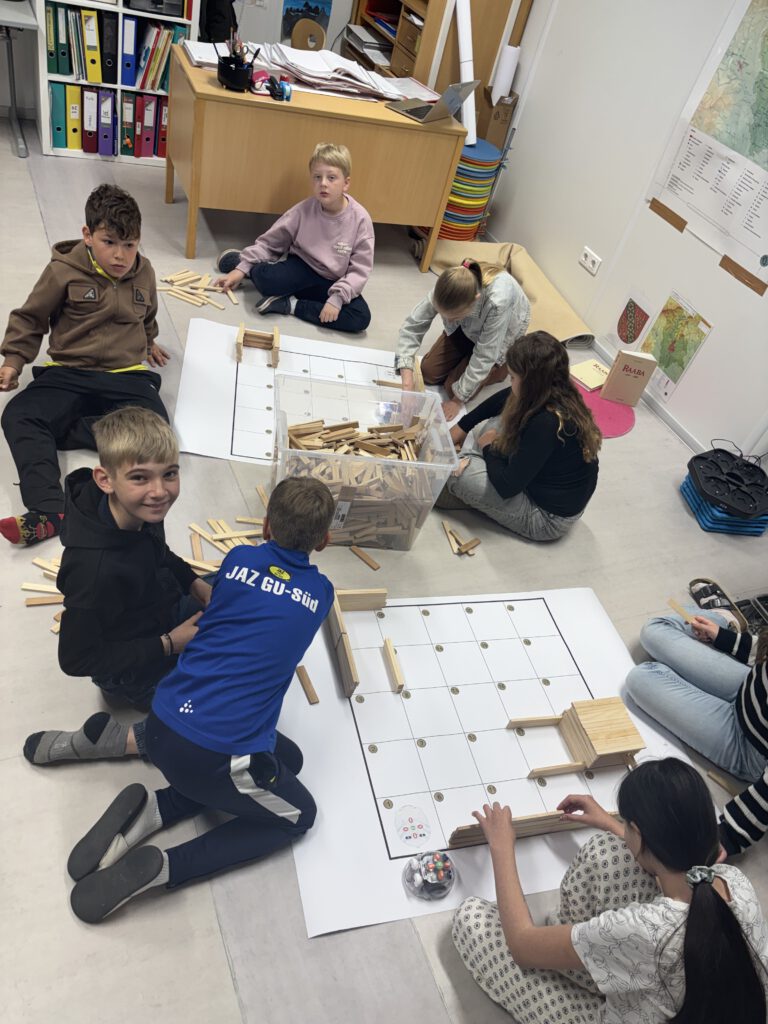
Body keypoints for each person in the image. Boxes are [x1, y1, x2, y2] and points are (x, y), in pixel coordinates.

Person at [65, 476, 335, 923]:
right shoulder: (322, 593)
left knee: (290, 760)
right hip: (212, 754)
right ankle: (169, 867)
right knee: (299, 816)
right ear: (324, 541)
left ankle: (155, 810)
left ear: (266, 526)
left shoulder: (239, 558)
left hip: (162, 718)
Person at [453, 758, 768, 1024]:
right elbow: (665, 869)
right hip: (681, 999)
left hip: (630, 997)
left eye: (627, 824)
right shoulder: (732, 880)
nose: (624, 830)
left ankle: (573, 956)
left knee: (472, 920)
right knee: (609, 850)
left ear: (640, 835)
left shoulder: (643, 932)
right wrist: (612, 824)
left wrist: (501, 846)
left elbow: (522, 944)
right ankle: (582, 956)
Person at [23, 407, 210, 767]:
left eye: (170, 474)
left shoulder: (137, 509)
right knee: (220, 714)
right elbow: (76, 659)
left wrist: (195, 583)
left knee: (234, 589)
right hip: (136, 670)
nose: (160, 492)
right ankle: (119, 741)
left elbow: (158, 551)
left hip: (158, 613)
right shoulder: (96, 572)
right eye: (140, 478)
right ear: (105, 480)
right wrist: (170, 643)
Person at [0, 184, 170, 547]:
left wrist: (150, 341)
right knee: (18, 415)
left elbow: (147, 315)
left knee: (158, 433)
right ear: (88, 235)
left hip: (126, 375)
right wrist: (14, 360)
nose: (121, 255)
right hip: (68, 372)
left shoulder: (145, 272)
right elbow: (31, 318)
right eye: (110, 242)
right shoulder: (62, 270)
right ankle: (50, 510)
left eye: (130, 244)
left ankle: (64, 432)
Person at [626, 611, 768, 856]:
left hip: (746, 744)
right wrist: (725, 638)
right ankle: (727, 617)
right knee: (654, 631)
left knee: (641, 678)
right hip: (747, 685)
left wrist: (730, 835)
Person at [437, 331, 600, 541]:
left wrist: (488, 448)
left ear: (532, 383)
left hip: (546, 517)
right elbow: (507, 397)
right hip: (538, 482)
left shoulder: (546, 423)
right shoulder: (554, 389)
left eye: (513, 377)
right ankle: (474, 473)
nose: (510, 381)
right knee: (494, 423)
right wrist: (463, 426)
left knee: (458, 472)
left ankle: (465, 484)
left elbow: (507, 486)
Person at [214, 142, 373, 333]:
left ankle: (289, 305)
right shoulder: (303, 210)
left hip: (331, 281)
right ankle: (241, 262)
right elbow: (271, 242)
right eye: (317, 177)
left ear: (346, 183)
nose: (323, 183)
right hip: (300, 267)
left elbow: (360, 270)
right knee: (267, 280)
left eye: (331, 178)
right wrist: (242, 269)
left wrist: (338, 298)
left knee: (360, 317)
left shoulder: (360, 219)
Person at [395, 259, 531, 422]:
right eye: (445, 316)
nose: (448, 321)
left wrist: (456, 401)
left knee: (452, 389)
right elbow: (412, 326)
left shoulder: (498, 302)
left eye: (454, 317)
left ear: (476, 299)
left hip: (502, 333)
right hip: (467, 327)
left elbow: (485, 356)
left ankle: (501, 369)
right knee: (428, 373)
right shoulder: (448, 284)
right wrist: (407, 386)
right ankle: (465, 352)